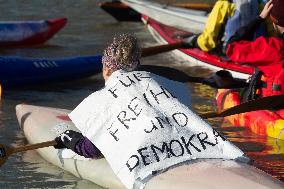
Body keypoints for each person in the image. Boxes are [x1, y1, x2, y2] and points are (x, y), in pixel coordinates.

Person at [53, 33, 246, 189]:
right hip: (196, 153)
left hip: (156, 167)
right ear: (137, 63)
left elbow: (93, 150)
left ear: (106, 68)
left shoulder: (106, 99)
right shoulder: (159, 84)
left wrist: (69, 138)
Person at [225, 0, 284, 101]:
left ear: (274, 21)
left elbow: (231, 47)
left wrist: (260, 18)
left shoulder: (271, 47)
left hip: (274, 106)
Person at [186, 0, 267, 54]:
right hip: (258, 52)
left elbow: (209, 39)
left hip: (231, 53)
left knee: (203, 42)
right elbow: (271, 31)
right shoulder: (262, 4)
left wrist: (196, 43)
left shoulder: (224, 3)